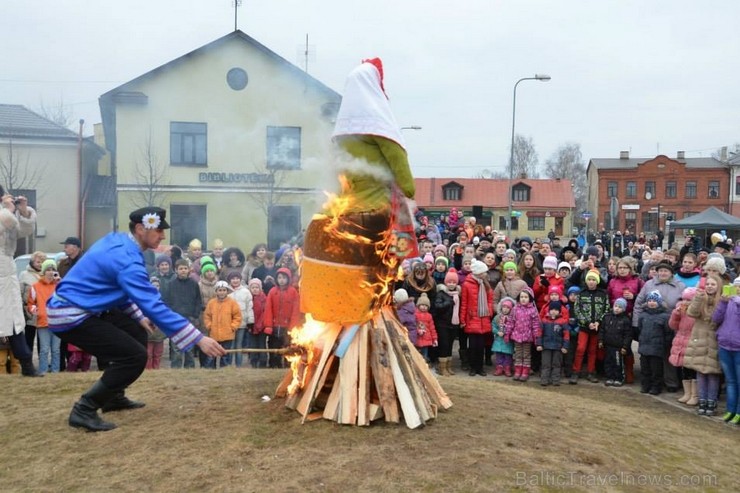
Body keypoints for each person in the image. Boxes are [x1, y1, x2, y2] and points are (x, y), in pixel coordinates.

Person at [47, 206, 226, 431]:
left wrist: (137, 316)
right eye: (159, 230)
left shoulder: (120, 242)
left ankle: (113, 397)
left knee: (136, 331)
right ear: (140, 229)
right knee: (134, 357)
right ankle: (84, 409)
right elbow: (154, 305)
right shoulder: (127, 259)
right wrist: (199, 338)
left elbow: (110, 286)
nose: (163, 236)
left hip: (85, 307)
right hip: (71, 314)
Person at [0, 187, 41, 377]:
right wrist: (8, 210)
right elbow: (6, 221)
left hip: (6, 273)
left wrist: (23, 211)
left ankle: (26, 364)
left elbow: (22, 230)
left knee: (15, 320)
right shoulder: (4, 215)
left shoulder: (6, 215)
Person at [684, 274, 724, 417]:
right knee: (700, 372)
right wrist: (697, 298)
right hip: (699, 339)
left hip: (714, 339)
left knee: (712, 373)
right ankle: (702, 400)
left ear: (718, 286)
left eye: (713, 284)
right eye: (708, 284)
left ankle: (711, 402)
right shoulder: (700, 298)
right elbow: (691, 313)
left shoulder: (722, 301)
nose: (709, 287)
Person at [160, 258, 202, 369]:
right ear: (176, 270)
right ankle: (176, 369)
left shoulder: (194, 284)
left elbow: (198, 300)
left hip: (190, 319)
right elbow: (166, 301)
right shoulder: (170, 285)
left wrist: (195, 314)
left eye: (185, 268)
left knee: (190, 346)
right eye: (180, 269)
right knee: (176, 347)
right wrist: (170, 316)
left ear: (189, 270)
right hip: (175, 320)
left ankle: (190, 369)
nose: (183, 271)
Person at [571, 269, 610, 384]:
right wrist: (587, 323)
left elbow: (606, 309)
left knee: (593, 350)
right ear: (586, 281)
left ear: (597, 281)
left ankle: (591, 372)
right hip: (584, 327)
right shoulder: (581, 293)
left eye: (593, 280)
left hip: (597, 328)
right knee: (580, 348)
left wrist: (598, 322)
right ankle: (576, 371)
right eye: (589, 280)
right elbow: (577, 310)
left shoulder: (603, 294)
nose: (591, 282)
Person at [712, 277, 740, 424]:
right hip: (725, 345)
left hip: (738, 348)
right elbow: (716, 318)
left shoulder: (736, 302)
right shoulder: (728, 302)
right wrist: (723, 302)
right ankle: (730, 410)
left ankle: (739, 412)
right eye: (736, 286)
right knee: (730, 381)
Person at [27, 259, 61, 374]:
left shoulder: (58, 286)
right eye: (48, 269)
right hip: (43, 322)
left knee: (56, 350)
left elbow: (66, 299)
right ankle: (43, 371)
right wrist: (36, 311)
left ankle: (56, 371)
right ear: (44, 271)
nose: (51, 272)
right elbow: (30, 303)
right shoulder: (35, 286)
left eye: (53, 269)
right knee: (44, 349)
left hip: (57, 322)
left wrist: (60, 283)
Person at [461, 260, 494, 377]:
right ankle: (473, 367)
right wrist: (463, 320)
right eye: (484, 272)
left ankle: (480, 367)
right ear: (479, 272)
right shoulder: (466, 284)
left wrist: (489, 311)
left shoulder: (486, 284)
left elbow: (490, 299)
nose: (486, 273)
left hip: (483, 317)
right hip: (472, 318)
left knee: (481, 345)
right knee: (473, 345)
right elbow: (464, 303)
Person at [264, 267, 301, 368]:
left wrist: (293, 327)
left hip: (287, 326)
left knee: (287, 347)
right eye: (279, 278)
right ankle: (273, 365)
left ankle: (288, 366)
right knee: (273, 347)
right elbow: (268, 309)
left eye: (284, 278)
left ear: (288, 279)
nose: (281, 280)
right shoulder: (272, 291)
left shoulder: (293, 292)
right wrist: (268, 325)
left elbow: (295, 311)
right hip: (275, 325)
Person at [668, 287, 698, 406]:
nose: (685, 302)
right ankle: (687, 393)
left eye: (688, 300)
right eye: (684, 299)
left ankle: (694, 395)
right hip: (681, 339)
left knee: (692, 369)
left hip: (692, 341)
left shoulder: (696, 312)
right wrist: (676, 314)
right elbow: (673, 326)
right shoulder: (680, 309)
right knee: (684, 368)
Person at [637, 290, 671, 395]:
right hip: (644, 346)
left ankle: (656, 387)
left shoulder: (665, 316)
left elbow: (668, 332)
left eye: (654, 301)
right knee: (645, 369)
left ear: (659, 302)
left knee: (656, 370)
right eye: (650, 300)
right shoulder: (643, 315)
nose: (651, 303)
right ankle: (645, 385)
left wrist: (665, 345)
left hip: (657, 348)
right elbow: (640, 328)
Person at [505, 287, 540, 382]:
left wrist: (536, 336)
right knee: (518, 354)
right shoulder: (515, 309)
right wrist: (507, 333)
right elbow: (510, 322)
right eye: (521, 297)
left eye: (526, 297)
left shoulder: (533, 310)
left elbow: (536, 325)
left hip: (528, 337)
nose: (523, 299)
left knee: (527, 355)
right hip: (517, 336)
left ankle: (525, 371)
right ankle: (517, 371)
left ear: (530, 298)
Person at [203, 280, 241, 368]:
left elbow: (237, 316)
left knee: (226, 355)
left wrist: (233, 327)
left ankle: (225, 370)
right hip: (214, 334)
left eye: (224, 290)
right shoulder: (211, 303)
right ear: (216, 291)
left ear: (227, 291)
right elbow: (207, 316)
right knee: (212, 355)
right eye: (220, 290)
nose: (222, 292)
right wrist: (209, 326)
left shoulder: (232, 303)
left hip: (228, 334)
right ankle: (210, 370)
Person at [433, 268, 460, 376]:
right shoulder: (441, 293)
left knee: (450, 345)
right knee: (443, 345)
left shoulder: (457, 294)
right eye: (449, 282)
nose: (451, 284)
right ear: (446, 282)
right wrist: (449, 302)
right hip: (442, 323)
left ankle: (448, 366)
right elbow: (438, 306)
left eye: (454, 282)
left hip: (453, 324)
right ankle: (442, 367)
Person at [598, 298, 632, 386]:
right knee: (608, 362)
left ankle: (619, 378)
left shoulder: (626, 320)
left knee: (618, 363)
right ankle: (610, 377)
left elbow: (628, 335)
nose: (617, 308)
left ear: (623, 309)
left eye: (620, 307)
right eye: (615, 306)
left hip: (618, 347)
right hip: (608, 345)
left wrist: (625, 347)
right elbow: (602, 330)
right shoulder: (607, 317)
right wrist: (601, 340)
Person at [536, 300, 570, 386]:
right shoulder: (544, 321)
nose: (553, 311)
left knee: (557, 364)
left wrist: (565, 346)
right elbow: (539, 333)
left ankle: (555, 380)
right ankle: (544, 380)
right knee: (545, 364)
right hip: (546, 346)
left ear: (559, 311)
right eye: (552, 309)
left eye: (556, 310)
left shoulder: (563, 322)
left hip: (558, 347)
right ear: (549, 310)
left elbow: (566, 335)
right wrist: (539, 344)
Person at [227, 271, 253, 368]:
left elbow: (249, 307)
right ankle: (229, 365)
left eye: (237, 278)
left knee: (239, 345)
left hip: (242, 322)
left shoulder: (246, 292)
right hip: (229, 323)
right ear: (230, 280)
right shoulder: (227, 292)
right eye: (233, 279)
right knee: (230, 345)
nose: (235, 280)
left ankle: (238, 365)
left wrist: (250, 321)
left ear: (240, 279)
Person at [145, 277, 167, 370]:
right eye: (153, 285)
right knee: (148, 354)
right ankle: (148, 371)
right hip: (148, 329)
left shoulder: (162, 299)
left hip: (159, 331)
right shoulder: (145, 299)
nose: (156, 287)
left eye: (157, 286)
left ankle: (156, 370)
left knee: (158, 353)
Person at [246, 278, 268, 368]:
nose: (255, 289)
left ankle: (263, 362)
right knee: (253, 345)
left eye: (257, 287)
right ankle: (253, 362)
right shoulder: (248, 299)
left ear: (260, 288)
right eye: (253, 287)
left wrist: (260, 324)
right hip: (251, 326)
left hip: (261, 326)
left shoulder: (264, 299)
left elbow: (265, 312)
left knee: (262, 345)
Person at [492, 297, 515, 377]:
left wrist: (506, 332)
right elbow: (493, 326)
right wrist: (497, 332)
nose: (505, 309)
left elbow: (513, 328)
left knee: (508, 355)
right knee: (499, 355)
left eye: (508, 308)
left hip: (507, 341)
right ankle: (499, 368)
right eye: (504, 307)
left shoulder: (512, 319)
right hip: (498, 340)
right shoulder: (497, 318)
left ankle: (507, 368)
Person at [414, 293, 437, 363]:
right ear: (418, 305)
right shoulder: (415, 315)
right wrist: (418, 331)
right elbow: (413, 326)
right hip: (417, 339)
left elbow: (432, 328)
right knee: (416, 355)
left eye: (426, 306)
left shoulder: (429, 316)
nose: (424, 307)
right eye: (422, 305)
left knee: (424, 356)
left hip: (426, 340)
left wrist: (435, 339)